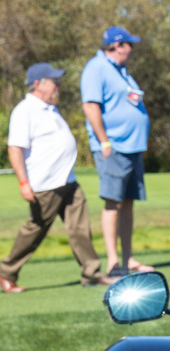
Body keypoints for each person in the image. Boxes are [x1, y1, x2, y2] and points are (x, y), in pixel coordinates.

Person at [2, 64, 114, 294]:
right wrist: (23, 183)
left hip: (68, 181)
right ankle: (5, 272)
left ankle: (91, 273)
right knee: (36, 229)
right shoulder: (25, 110)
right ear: (38, 84)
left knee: (80, 228)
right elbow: (15, 149)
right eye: (54, 82)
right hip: (45, 184)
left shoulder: (50, 108)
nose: (58, 86)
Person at [81, 26, 153, 278]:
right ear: (117, 45)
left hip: (132, 146)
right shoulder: (96, 67)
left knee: (128, 202)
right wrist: (104, 141)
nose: (131, 49)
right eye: (129, 44)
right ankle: (113, 262)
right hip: (113, 147)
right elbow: (90, 106)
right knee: (114, 202)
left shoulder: (121, 71)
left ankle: (127, 258)